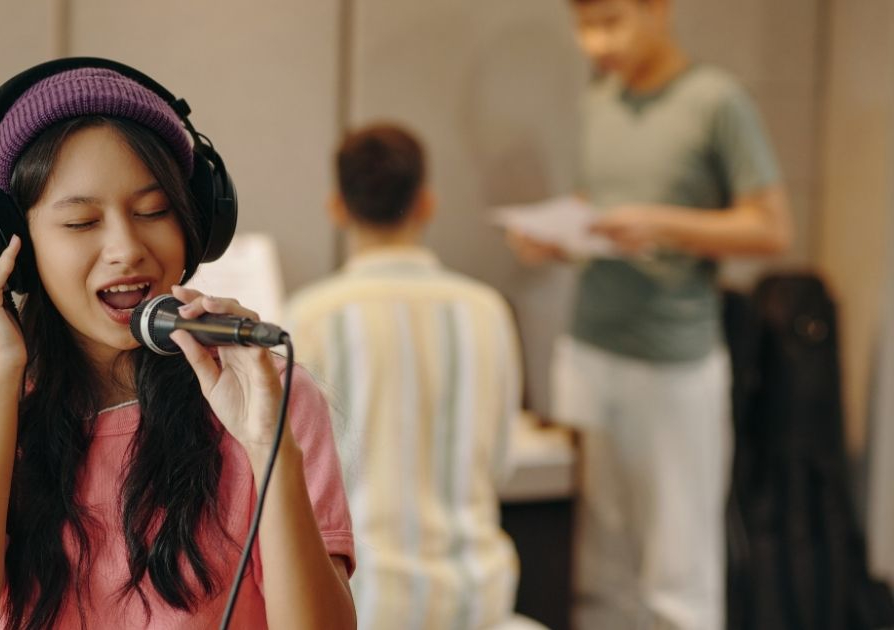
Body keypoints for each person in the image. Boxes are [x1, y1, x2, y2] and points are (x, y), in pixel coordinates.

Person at [0, 61, 356, 630]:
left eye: (153, 211)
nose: (126, 247)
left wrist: (267, 449)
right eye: (81, 222)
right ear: (14, 249)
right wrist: (2, 369)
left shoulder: (268, 394)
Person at [506, 1, 793, 628]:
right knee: (600, 569)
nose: (595, 44)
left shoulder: (715, 101)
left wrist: (663, 223)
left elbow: (771, 228)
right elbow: (600, 206)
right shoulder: (599, 100)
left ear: (658, 10)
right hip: (591, 348)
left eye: (611, 22)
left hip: (672, 363)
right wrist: (558, 238)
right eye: (584, 27)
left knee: (678, 573)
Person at [286, 124, 537, 630]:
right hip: (477, 602)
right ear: (426, 203)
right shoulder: (487, 310)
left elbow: (293, 485)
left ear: (337, 207)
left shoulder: (308, 317)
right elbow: (501, 462)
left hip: (363, 602)